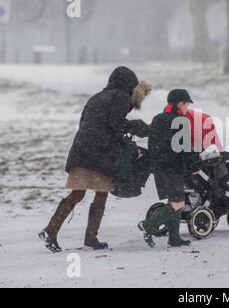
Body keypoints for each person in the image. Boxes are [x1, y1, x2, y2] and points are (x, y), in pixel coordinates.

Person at [39, 66, 151, 252]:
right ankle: (85, 237)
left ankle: (55, 230)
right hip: (99, 153)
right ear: (128, 84)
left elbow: (87, 122)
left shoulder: (97, 96)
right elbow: (116, 123)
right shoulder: (121, 97)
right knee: (101, 193)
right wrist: (135, 126)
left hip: (82, 149)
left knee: (79, 193)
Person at [138, 89, 200, 247]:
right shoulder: (181, 120)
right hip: (173, 166)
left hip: (159, 166)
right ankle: (148, 225)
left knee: (173, 199)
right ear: (181, 104)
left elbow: (152, 143)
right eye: (187, 104)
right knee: (178, 202)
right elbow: (185, 148)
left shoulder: (158, 119)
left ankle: (174, 237)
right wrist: (193, 166)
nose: (187, 108)